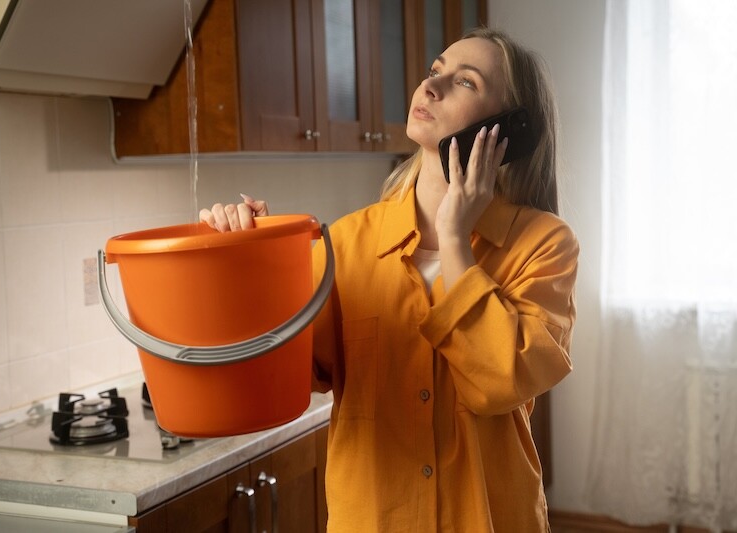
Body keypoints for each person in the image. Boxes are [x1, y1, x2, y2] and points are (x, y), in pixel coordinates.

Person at [200, 27, 578, 533]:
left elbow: (500, 383)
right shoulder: (348, 244)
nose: (431, 87)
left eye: (465, 82)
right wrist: (252, 267)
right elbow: (281, 382)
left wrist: (454, 238)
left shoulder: (543, 244)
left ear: (511, 129)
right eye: (435, 71)